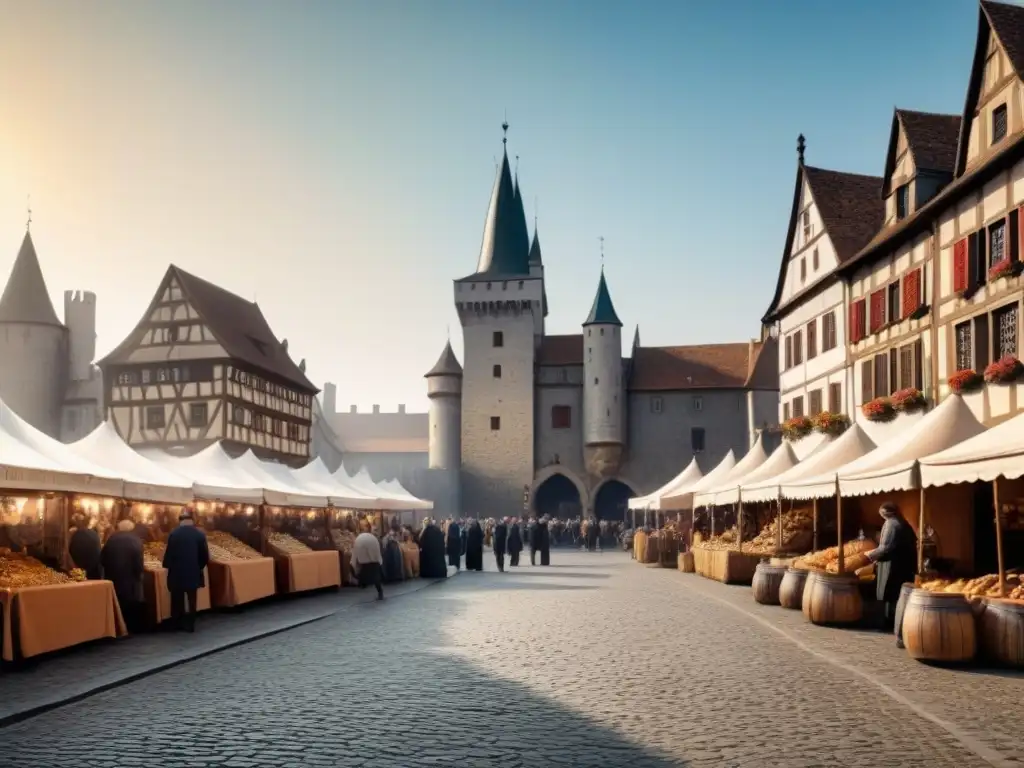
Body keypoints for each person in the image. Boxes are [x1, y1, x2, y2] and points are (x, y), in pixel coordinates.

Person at [866, 501, 918, 641]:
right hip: (904, 563)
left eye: (882, 511)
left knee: (888, 592)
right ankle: (892, 621)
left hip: (893, 564)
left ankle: (886, 622)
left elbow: (886, 547)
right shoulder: (903, 522)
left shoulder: (892, 524)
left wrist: (869, 555)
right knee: (897, 592)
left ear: (886, 512)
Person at [162, 509, 209, 632]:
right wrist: (199, 566)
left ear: (180, 521)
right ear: (191, 521)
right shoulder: (199, 534)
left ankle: (177, 622)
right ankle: (191, 624)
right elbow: (205, 556)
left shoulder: (174, 534)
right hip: (193, 571)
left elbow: (169, 553)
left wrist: (167, 565)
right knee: (192, 599)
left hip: (177, 572)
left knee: (177, 599)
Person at [101, 518, 145, 633]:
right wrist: (139, 573)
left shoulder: (112, 539)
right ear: (131, 528)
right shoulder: (136, 540)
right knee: (131, 602)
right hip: (130, 577)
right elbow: (139, 560)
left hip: (114, 575)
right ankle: (131, 627)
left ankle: (118, 627)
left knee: (118, 601)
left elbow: (102, 558)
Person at [352, 530, 385, 600]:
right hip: (372, 558)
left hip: (366, 558)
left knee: (368, 570)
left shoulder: (359, 540)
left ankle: (364, 584)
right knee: (373, 572)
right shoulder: (370, 539)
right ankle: (378, 590)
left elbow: (354, 560)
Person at [68, 514, 103, 580]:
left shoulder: (75, 534)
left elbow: (69, 549)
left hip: (78, 568)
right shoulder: (92, 534)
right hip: (93, 569)